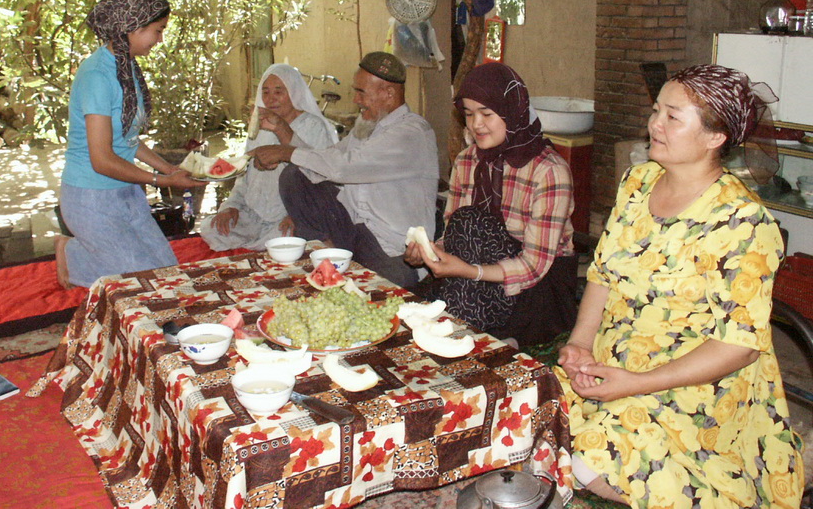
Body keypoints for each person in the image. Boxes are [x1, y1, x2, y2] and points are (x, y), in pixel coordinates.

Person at [556, 64, 803, 507]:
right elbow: (603, 273)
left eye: (673, 116)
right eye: (656, 111)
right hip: (615, 359)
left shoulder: (741, 222)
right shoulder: (639, 182)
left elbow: (738, 346)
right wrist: (580, 343)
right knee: (536, 414)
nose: (654, 124)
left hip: (693, 382)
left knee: (591, 456)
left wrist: (634, 384)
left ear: (715, 137)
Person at [405, 62, 577, 346]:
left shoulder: (549, 171)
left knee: (472, 222)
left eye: (487, 113)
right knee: (468, 223)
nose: (476, 124)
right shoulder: (467, 161)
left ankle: (466, 329)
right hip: (473, 281)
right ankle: (466, 330)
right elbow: (456, 237)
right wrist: (429, 252)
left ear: (513, 111)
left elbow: (534, 266)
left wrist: (468, 271)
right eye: (469, 114)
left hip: (535, 291)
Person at [56, 0, 204, 289]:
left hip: (126, 195)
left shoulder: (127, 67)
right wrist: (162, 181)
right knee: (145, 284)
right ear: (132, 27)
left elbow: (129, 140)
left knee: (170, 277)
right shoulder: (97, 75)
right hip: (90, 198)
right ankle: (71, 256)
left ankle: (83, 255)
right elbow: (102, 159)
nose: (160, 39)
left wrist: (171, 170)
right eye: (158, 30)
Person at [251, 52, 438, 289]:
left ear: (388, 93)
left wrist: (284, 153)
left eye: (361, 92)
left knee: (372, 298)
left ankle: (355, 268)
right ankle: (323, 251)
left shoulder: (412, 132)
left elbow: (344, 166)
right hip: (354, 231)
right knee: (295, 176)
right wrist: (282, 132)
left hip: (391, 247)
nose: (356, 100)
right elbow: (325, 161)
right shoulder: (368, 126)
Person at [199, 64, 338, 251]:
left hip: (287, 218)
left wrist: (298, 215)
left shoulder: (314, 127)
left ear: (294, 92)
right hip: (253, 215)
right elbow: (244, 177)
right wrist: (230, 207)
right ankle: (259, 245)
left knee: (286, 236)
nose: (271, 99)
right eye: (265, 92)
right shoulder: (260, 127)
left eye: (278, 92)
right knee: (211, 228)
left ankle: (262, 245)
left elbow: (322, 179)